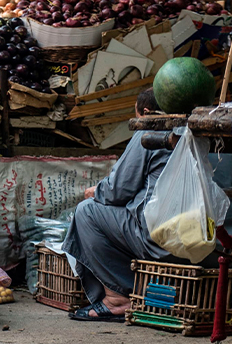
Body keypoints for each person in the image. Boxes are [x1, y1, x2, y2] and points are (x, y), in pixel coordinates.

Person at [63, 88, 175, 322]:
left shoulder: (150, 128)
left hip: (160, 238)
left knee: (86, 212)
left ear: (145, 112)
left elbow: (117, 190)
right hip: (206, 238)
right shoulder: (196, 129)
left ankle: (117, 297)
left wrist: (97, 191)